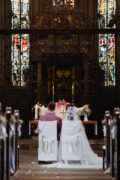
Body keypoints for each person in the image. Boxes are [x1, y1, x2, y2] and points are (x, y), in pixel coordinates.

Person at [41, 103, 102, 169]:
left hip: (66, 139)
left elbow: (63, 130)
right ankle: (78, 156)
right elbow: (80, 129)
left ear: (66, 110)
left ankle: (66, 157)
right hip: (76, 138)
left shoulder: (64, 118)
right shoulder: (77, 117)